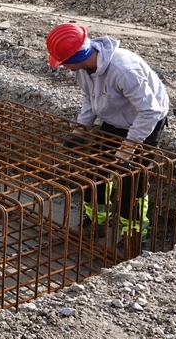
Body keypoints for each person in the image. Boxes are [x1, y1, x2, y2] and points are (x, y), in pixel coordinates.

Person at [46, 22, 169, 247]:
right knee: (96, 171)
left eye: (63, 62)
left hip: (145, 121)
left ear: (75, 57)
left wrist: (129, 145)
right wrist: (80, 128)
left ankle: (133, 232)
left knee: (132, 179)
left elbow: (150, 111)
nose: (62, 66)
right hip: (115, 120)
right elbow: (89, 98)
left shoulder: (123, 70)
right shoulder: (83, 69)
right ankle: (96, 222)